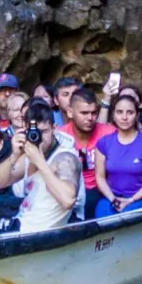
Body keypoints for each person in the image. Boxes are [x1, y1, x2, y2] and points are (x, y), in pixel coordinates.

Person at [0, 99, 80, 234]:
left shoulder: (65, 158)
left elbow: (68, 201)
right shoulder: (28, 155)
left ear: (54, 128)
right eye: (34, 133)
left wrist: (39, 161)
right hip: (21, 226)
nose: (39, 138)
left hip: (42, 235)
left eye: (44, 131)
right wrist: (14, 156)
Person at [92, 93, 142, 217]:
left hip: (141, 198)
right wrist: (112, 199)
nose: (124, 117)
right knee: (101, 214)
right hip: (111, 197)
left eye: (130, 112)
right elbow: (100, 177)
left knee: (128, 216)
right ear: (113, 116)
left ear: (137, 115)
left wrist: (131, 200)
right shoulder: (104, 143)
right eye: (119, 112)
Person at [56, 87, 108, 218]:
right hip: (71, 191)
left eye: (93, 113)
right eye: (84, 113)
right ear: (70, 112)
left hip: (101, 190)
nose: (90, 118)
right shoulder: (59, 137)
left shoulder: (108, 133)